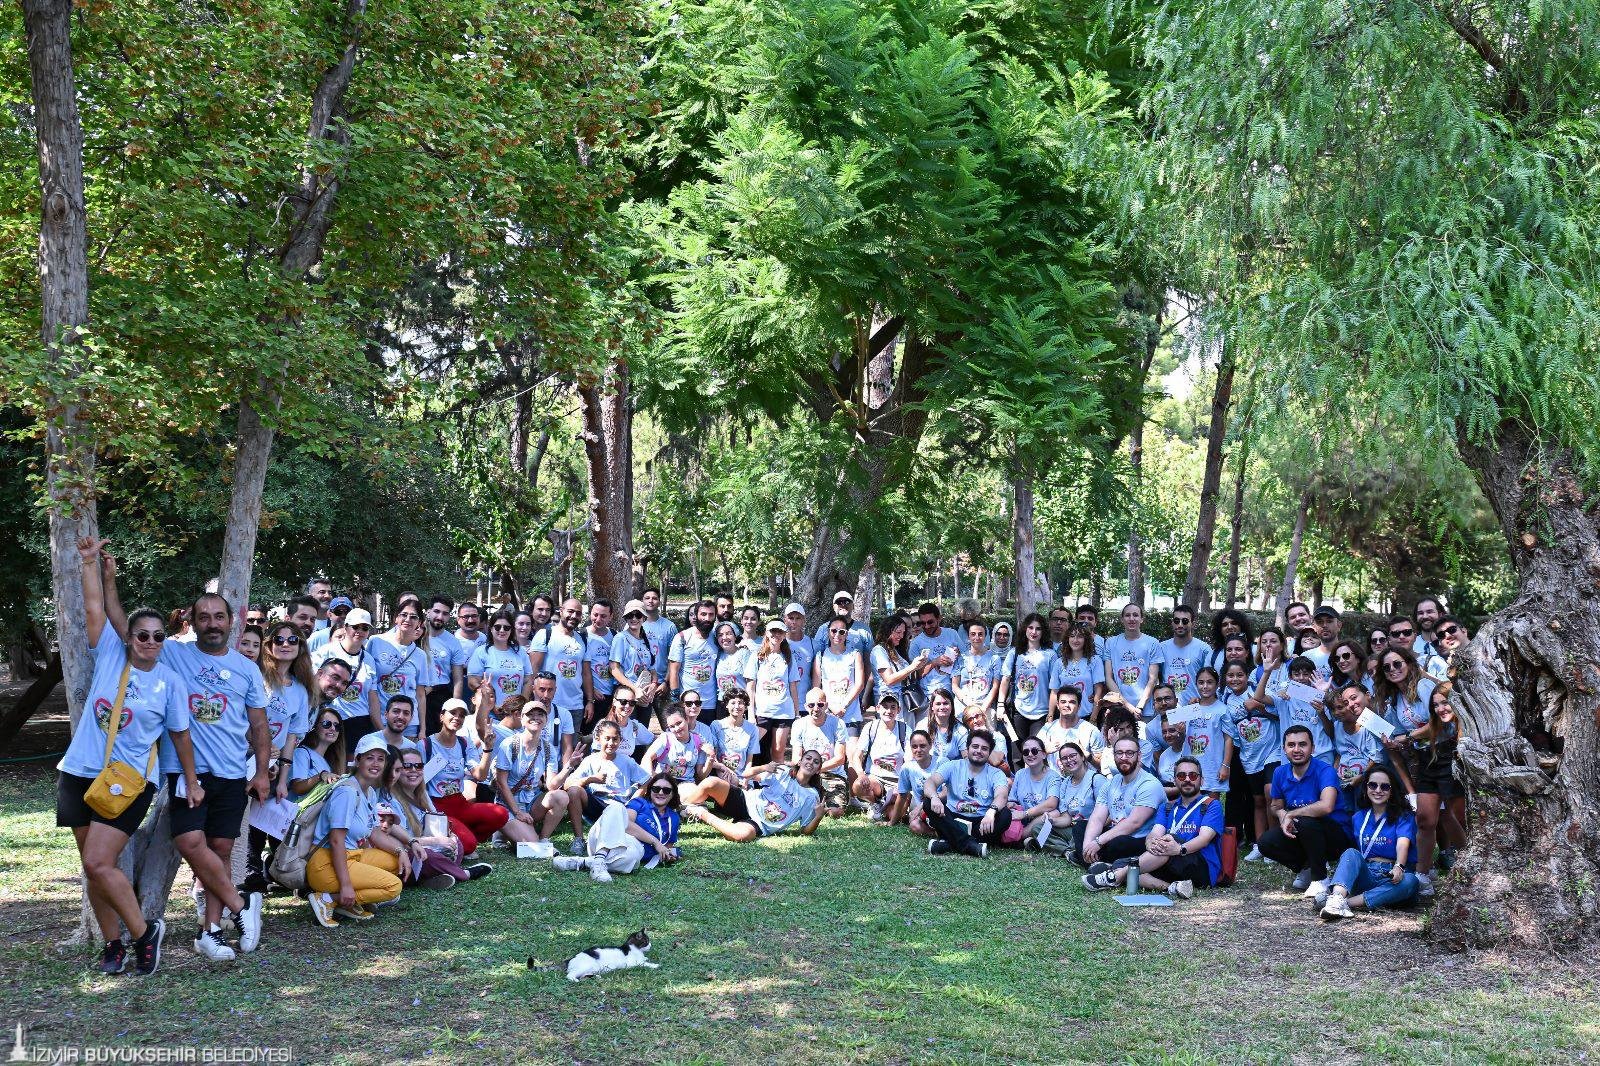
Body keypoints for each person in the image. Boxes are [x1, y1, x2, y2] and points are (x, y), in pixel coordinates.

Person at [59, 538, 200, 976]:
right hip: (79, 771)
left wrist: (192, 780)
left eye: (158, 636)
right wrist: (89, 564)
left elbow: (180, 736)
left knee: (99, 862)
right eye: (142, 635)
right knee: (93, 869)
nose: (150, 642)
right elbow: (93, 609)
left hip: (131, 781)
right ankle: (113, 944)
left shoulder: (169, 682)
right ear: (130, 637)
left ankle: (143, 933)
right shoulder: (110, 654)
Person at [1082, 756, 1223, 899]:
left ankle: (1115, 876)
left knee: (1167, 842)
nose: (1187, 779)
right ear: (1175, 781)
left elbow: (1204, 838)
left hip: (1201, 867)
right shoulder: (1167, 807)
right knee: (1125, 862)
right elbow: (1155, 832)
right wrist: (1150, 842)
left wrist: (1179, 849)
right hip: (1171, 861)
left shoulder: (1211, 805)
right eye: (1181, 776)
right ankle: (1171, 888)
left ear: (1201, 780)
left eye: (1193, 775)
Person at [305, 733, 405, 927]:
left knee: (395, 862)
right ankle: (329, 899)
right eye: (369, 758)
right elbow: (336, 841)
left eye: (380, 759)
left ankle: (348, 903)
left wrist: (401, 851)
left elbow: (373, 832)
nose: (375, 764)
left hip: (352, 856)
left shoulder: (369, 791)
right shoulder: (347, 792)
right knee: (394, 887)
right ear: (358, 760)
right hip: (325, 864)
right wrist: (345, 886)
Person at [1316, 765, 1420, 919]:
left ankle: (1345, 903)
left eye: (1385, 787)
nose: (1378, 790)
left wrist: (1399, 866)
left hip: (1391, 877)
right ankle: (1337, 899)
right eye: (1373, 785)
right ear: (1365, 788)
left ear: (1392, 791)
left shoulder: (1403, 816)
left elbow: (1402, 843)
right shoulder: (1358, 817)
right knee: (1351, 853)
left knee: (1411, 881)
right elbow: (1352, 856)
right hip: (1367, 873)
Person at [1259, 725, 1351, 896]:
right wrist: (1283, 815)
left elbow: (1326, 806)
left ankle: (1320, 879)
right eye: (1291, 745)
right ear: (1284, 749)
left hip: (1335, 836)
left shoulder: (1325, 770)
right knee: (1265, 842)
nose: (1297, 750)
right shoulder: (1280, 772)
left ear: (1312, 748)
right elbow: (1275, 806)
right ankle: (1308, 867)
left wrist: (1291, 814)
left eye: (1302, 744)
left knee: (1306, 821)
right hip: (1302, 831)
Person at [380, 752, 485, 889]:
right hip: (410, 850)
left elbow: (436, 824)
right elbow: (403, 842)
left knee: (457, 844)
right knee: (426, 856)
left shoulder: (422, 793)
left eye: (418, 766)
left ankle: (431, 878)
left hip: (427, 845)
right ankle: (464, 874)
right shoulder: (390, 799)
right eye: (407, 766)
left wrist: (449, 837)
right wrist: (435, 841)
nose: (413, 770)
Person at [554, 771, 683, 881]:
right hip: (608, 839)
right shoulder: (640, 803)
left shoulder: (673, 818)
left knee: (632, 858)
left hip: (630, 853)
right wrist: (655, 841)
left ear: (672, 794)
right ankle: (599, 858)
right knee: (617, 807)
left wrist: (669, 855)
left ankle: (584, 862)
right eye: (656, 789)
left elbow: (666, 847)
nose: (661, 792)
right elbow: (627, 825)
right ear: (650, 790)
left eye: (666, 790)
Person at [680, 750, 827, 841]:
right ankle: (681, 809)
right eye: (808, 758)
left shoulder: (811, 796)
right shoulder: (783, 772)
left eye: (816, 762)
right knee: (711, 783)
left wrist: (818, 817)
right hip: (746, 801)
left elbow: (805, 830)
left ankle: (700, 812)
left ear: (818, 770)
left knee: (742, 836)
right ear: (800, 761)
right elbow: (746, 774)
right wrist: (764, 767)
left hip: (759, 824)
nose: (811, 762)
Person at [424, 697, 508, 855]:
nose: (457, 717)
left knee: (501, 814)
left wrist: (487, 748)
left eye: (462, 715)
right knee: (469, 846)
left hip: (460, 803)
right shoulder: (425, 745)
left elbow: (480, 776)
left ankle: (464, 836)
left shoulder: (464, 743)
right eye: (453, 713)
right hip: (436, 808)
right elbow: (417, 783)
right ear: (441, 716)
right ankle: (462, 839)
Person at [1408, 684, 1468, 899]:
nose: (1440, 709)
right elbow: (1424, 731)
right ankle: (1422, 876)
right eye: (1435, 705)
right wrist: (1408, 737)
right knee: (1424, 820)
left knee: (1450, 817)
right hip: (1431, 763)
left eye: (1445, 703)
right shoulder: (1436, 725)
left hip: (1453, 765)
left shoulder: (1466, 725)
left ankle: (1467, 866)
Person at [1072, 736, 1164, 869]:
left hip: (1140, 840)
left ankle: (1097, 863)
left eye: (1129, 753)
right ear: (1114, 756)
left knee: (1119, 842)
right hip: (1115, 834)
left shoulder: (1149, 784)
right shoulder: (1111, 783)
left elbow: (1134, 823)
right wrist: (1087, 846)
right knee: (1080, 827)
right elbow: (1097, 818)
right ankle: (1094, 862)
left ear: (1139, 756)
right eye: (1119, 753)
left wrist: (1098, 842)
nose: (1124, 757)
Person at [922, 730, 1012, 858]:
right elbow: (930, 782)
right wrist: (934, 797)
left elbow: (1002, 795)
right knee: (928, 802)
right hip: (952, 819)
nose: (979, 751)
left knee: (1005, 815)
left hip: (981, 821)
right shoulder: (952, 766)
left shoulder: (996, 773)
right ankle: (971, 845)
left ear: (989, 752)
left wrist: (991, 812)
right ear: (968, 748)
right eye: (975, 746)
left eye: (984, 748)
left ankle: (950, 843)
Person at [563, 719, 650, 849]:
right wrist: (590, 779)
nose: (611, 743)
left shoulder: (626, 761)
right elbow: (567, 785)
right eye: (607, 738)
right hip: (597, 803)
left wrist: (633, 800)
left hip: (620, 807)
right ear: (598, 739)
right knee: (574, 791)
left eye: (615, 739)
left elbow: (646, 780)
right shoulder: (590, 760)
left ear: (620, 740)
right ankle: (579, 839)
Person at [311, 607, 378, 755]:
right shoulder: (326, 651)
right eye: (355, 627)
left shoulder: (369, 659)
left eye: (365, 628)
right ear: (346, 627)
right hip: (328, 719)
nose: (359, 631)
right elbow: (310, 682)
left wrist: (380, 730)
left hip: (359, 722)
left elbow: (372, 697)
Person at [367, 601, 432, 741]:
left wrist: (422, 729)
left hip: (408, 723)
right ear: (396, 618)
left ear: (419, 623)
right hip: (380, 718)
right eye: (404, 615)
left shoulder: (420, 655)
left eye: (413, 617)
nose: (408, 619)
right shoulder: (376, 641)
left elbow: (420, 694)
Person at [747, 619, 803, 764]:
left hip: (784, 711)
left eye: (780, 632)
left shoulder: (788, 657)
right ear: (767, 633)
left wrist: (797, 714)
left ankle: (778, 778)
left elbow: (793, 687)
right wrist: (751, 714)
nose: (776, 634)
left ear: (784, 635)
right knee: (751, 747)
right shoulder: (757, 656)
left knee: (778, 751)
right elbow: (750, 687)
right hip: (762, 711)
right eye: (773, 631)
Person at [849, 693, 910, 818]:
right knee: (858, 785)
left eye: (893, 707)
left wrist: (902, 785)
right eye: (885, 707)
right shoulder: (870, 727)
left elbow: (909, 760)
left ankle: (888, 806)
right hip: (875, 779)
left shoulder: (905, 729)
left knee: (893, 816)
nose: (889, 711)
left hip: (897, 781)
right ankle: (874, 804)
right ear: (878, 708)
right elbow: (857, 756)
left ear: (898, 710)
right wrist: (861, 774)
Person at [791, 688, 850, 814]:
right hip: (807, 776)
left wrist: (816, 769)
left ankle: (824, 801)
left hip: (832, 776)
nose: (816, 708)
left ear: (826, 706)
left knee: (835, 812)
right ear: (805, 706)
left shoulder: (838, 723)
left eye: (820, 704)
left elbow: (840, 759)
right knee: (793, 804)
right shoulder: (798, 724)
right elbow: (796, 758)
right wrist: (809, 772)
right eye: (811, 705)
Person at [1102, 604, 1164, 721]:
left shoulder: (1152, 643)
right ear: (1122, 619)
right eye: (1127, 615)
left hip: (1145, 710)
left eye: (1135, 615)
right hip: (1119, 707)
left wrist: (1140, 706)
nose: (1131, 618)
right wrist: (1127, 705)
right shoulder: (1111, 643)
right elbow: (1109, 678)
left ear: (1142, 619)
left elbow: (1153, 679)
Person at [1036, 742, 1098, 856]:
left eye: (1073, 756)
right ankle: (1068, 852)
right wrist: (1051, 820)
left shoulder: (1096, 779)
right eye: (1064, 758)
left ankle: (1059, 847)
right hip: (1073, 828)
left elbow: (1107, 815)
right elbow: (1067, 818)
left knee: (1078, 836)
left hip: (1091, 830)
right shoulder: (1065, 783)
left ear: (1082, 756)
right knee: (1038, 829)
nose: (1069, 760)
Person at [1008, 613, 1057, 757]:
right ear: (1025, 629)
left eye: (1038, 628)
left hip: (1042, 713)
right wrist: (1000, 706)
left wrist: (1050, 714)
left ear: (1043, 632)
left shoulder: (1050, 655)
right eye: (1030, 628)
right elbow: (1005, 679)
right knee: (1018, 755)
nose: (1034, 632)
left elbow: (1054, 687)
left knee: (1036, 752)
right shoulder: (1015, 653)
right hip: (1019, 710)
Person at [468, 612, 534, 713]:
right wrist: (491, 705)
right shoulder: (481, 652)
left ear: (511, 630)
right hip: (488, 712)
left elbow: (528, 680)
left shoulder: (521, 652)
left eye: (506, 628)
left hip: (516, 713)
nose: (502, 630)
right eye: (497, 627)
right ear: (491, 629)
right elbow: (472, 681)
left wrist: (521, 705)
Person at [813, 617, 867, 736]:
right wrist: (832, 707)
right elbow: (816, 689)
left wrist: (843, 706)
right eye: (833, 631)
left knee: (852, 748)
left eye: (842, 632)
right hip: (827, 714)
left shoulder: (855, 654)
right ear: (828, 632)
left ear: (846, 634)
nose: (837, 635)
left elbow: (860, 684)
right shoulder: (820, 656)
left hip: (851, 714)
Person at [668, 599, 719, 719]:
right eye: (703, 614)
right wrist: (675, 700)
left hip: (710, 703)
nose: (707, 618)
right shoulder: (682, 637)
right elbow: (673, 671)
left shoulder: (717, 637)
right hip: (688, 702)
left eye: (711, 615)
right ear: (696, 615)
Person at [610, 600, 662, 715]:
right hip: (626, 694)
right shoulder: (620, 638)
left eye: (638, 615)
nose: (634, 619)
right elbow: (614, 668)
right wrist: (634, 689)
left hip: (645, 693)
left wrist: (654, 684)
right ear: (625, 618)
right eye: (630, 615)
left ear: (644, 618)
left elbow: (652, 668)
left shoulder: (650, 639)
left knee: (642, 725)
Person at [1010, 737, 1061, 849]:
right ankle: (1026, 839)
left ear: (1044, 754)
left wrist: (1025, 813)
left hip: (1041, 819)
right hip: (1021, 820)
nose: (1030, 754)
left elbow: (1051, 803)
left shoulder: (1053, 776)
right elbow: (1012, 800)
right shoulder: (1020, 774)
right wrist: (1011, 805)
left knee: (1054, 813)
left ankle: (1021, 837)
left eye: (1034, 751)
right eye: (1025, 752)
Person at [642, 707, 713, 783]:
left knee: (713, 782)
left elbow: (701, 776)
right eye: (672, 726)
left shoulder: (698, 741)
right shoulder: (665, 738)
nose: (676, 729)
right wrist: (655, 779)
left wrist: (710, 758)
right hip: (663, 782)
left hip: (686, 783)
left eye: (679, 723)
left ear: (687, 719)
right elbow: (646, 759)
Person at [909, 603, 961, 704]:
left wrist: (958, 653)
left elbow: (965, 658)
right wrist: (934, 662)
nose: (927, 626)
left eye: (930, 622)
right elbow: (915, 675)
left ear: (939, 619)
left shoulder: (952, 634)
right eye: (923, 623)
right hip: (928, 695)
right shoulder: (916, 643)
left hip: (953, 692)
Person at [707, 690, 762, 782]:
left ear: (745, 706)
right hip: (721, 773)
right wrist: (723, 769)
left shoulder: (752, 729)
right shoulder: (716, 725)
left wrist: (746, 778)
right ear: (726, 705)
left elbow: (749, 760)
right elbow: (714, 756)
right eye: (733, 703)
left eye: (740, 703)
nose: (737, 706)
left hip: (742, 775)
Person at [871, 615, 921, 713]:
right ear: (888, 631)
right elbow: (889, 680)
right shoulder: (879, 650)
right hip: (888, 703)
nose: (901, 636)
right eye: (898, 632)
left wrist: (918, 665)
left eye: (903, 632)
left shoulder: (895, 650)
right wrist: (912, 667)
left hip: (903, 701)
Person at [1160, 605, 1208, 703]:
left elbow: (1210, 679)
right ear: (1172, 623)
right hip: (1168, 706)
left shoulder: (1203, 649)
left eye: (1185, 621)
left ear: (1193, 624)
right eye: (1176, 621)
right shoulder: (1161, 648)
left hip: (1194, 706)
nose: (1180, 625)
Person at [581, 599, 617, 731]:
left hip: (611, 696)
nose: (598, 619)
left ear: (611, 617)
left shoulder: (615, 635)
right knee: (587, 734)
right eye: (595, 615)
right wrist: (591, 690)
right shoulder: (582, 635)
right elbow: (579, 668)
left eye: (603, 616)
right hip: (590, 696)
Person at [916, 689, 966, 763]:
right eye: (938, 704)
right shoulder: (922, 726)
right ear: (932, 706)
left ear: (952, 706)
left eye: (945, 703)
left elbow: (966, 758)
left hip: (952, 768)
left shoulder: (961, 730)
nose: (942, 707)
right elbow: (915, 753)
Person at [712, 620, 752, 713]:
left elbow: (751, 683)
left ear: (735, 636)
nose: (724, 637)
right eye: (720, 635)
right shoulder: (717, 655)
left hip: (740, 704)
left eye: (729, 634)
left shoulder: (744, 654)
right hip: (722, 704)